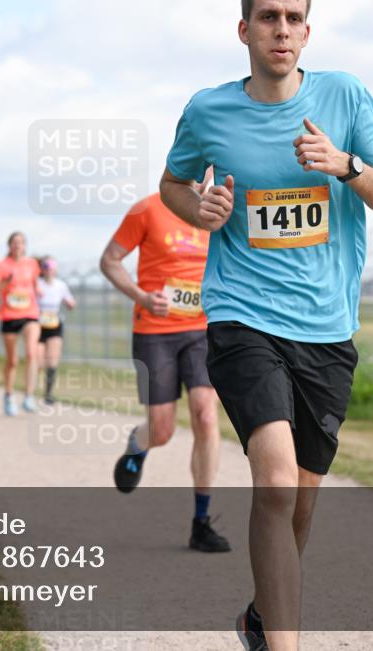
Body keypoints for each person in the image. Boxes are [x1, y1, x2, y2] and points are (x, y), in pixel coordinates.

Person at [159, 0, 373, 648]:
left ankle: (262, 619)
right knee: (272, 480)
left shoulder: (344, 98)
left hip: (326, 330)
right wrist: (200, 208)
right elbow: (173, 183)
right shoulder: (208, 110)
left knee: (298, 504)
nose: (281, 28)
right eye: (268, 17)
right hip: (243, 318)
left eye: (293, 18)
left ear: (307, 33)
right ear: (244, 30)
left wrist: (346, 165)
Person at [101, 178, 230, 555]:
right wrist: (141, 295)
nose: (198, 174)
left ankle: (201, 522)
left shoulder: (218, 211)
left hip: (202, 331)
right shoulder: (147, 209)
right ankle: (138, 445)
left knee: (207, 416)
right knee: (163, 430)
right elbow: (109, 261)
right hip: (154, 331)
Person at [0, 232, 42, 415]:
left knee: (31, 353)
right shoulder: (1, 266)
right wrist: (5, 282)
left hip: (30, 313)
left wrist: (39, 291)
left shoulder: (32, 264)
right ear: (9, 245)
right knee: (12, 360)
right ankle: (9, 395)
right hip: (9, 316)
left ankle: (29, 396)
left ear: (25, 246)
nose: (17, 246)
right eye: (14, 243)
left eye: (21, 243)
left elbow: (35, 285)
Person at [36, 256, 76, 404]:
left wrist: (71, 304)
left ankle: (48, 394)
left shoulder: (60, 285)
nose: (49, 269)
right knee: (38, 361)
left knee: (52, 360)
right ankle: (31, 390)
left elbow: (69, 300)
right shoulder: (37, 284)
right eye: (46, 266)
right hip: (38, 324)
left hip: (54, 324)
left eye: (52, 266)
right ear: (42, 269)